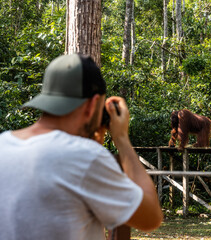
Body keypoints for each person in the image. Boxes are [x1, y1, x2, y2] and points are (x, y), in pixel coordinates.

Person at [0, 54, 163, 240]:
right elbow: (151, 218)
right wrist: (122, 139)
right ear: (93, 104)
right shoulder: (85, 157)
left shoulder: (3, 144)